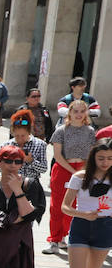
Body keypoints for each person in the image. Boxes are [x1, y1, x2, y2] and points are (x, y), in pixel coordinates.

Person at [59, 137, 112, 268]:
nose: (105, 162)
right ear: (93, 158)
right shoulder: (80, 177)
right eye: (101, 158)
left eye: (109, 158)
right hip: (81, 226)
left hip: (105, 228)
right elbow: (65, 206)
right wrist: (83, 213)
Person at [46, 100, 97, 253]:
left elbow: (91, 154)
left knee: (74, 205)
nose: (79, 114)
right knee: (57, 206)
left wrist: (82, 171)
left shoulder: (90, 131)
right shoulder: (61, 130)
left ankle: (63, 237)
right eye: (76, 111)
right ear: (70, 112)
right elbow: (57, 155)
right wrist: (72, 171)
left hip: (81, 168)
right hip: (63, 168)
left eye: (82, 111)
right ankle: (54, 239)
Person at [3, 109, 49, 183]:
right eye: (17, 135)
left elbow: (44, 169)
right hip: (10, 184)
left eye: (23, 135)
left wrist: (31, 161)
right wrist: (8, 161)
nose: (20, 138)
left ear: (29, 132)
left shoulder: (40, 144)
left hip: (31, 185)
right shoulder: (6, 145)